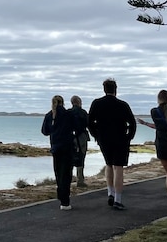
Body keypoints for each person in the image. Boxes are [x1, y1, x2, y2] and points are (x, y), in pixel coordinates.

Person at [87, 78, 137, 210]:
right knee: (118, 167)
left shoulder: (97, 103)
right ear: (116, 89)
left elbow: (90, 122)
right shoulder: (123, 105)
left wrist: (96, 135)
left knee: (109, 164)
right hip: (120, 139)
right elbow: (132, 123)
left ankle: (110, 192)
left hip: (104, 139)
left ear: (104, 89)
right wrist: (129, 137)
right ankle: (118, 200)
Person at [41, 95, 76, 210]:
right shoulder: (68, 115)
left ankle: (61, 196)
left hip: (56, 148)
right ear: (63, 103)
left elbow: (45, 131)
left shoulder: (49, 116)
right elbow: (76, 127)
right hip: (67, 147)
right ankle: (65, 200)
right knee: (66, 173)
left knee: (58, 172)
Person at [69, 95, 91, 187]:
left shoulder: (68, 113)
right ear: (79, 102)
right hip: (81, 137)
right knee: (81, 157)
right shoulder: (83, 112)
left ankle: (68, 180)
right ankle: (80, 180)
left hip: (70, 137)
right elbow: (88, 124)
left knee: (70, 158)